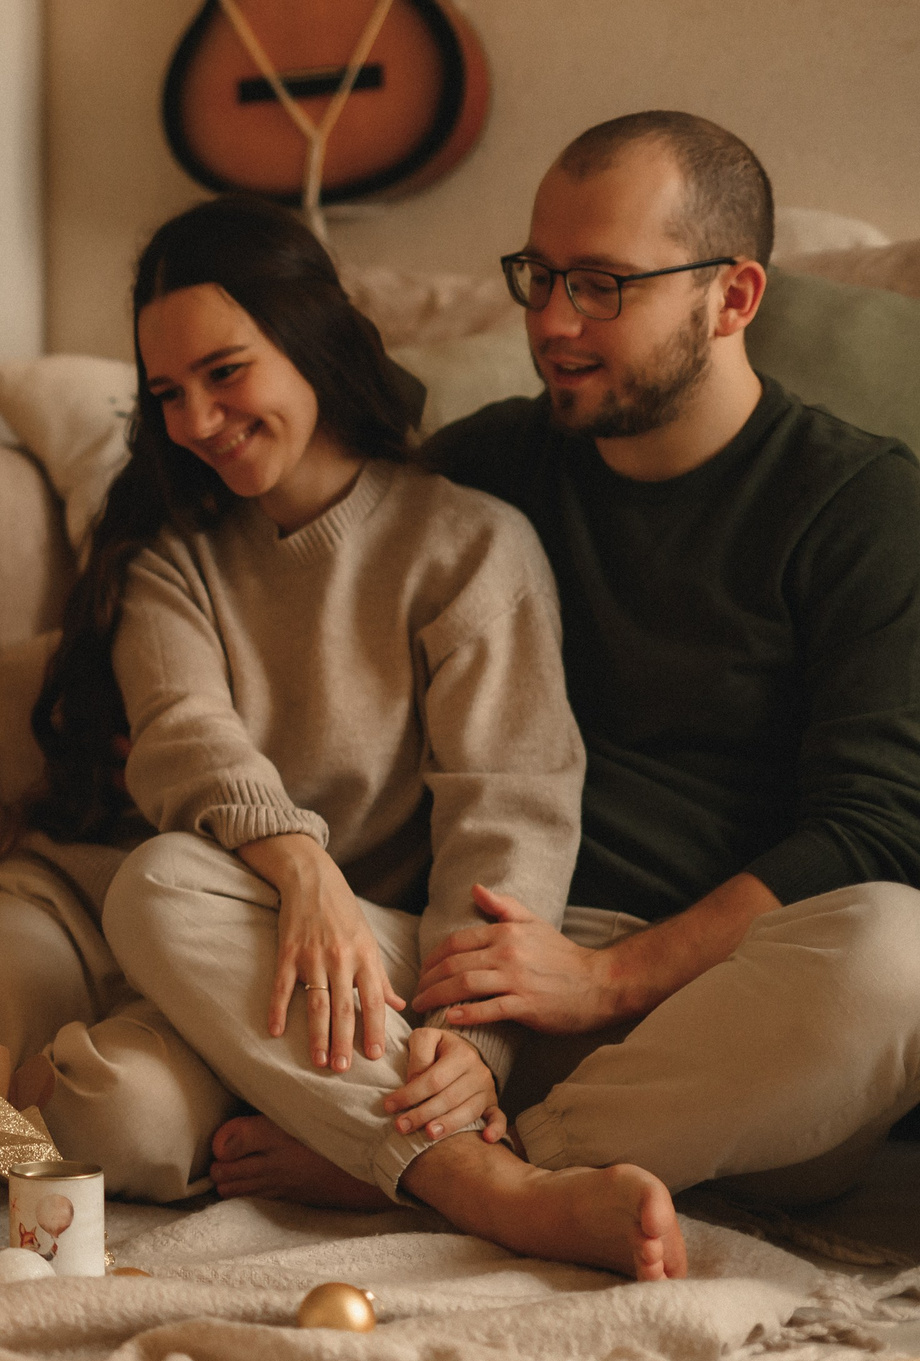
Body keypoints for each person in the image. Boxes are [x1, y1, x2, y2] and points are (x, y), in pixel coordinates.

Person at [201, 112, 920, 1281]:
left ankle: (444, 1161)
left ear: (733, 296)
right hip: (467, 972)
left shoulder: (860, 504)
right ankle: (468, 1156)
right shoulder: (484, 468)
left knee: (901, 950)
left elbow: (875, 820)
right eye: (539, 276)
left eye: (600, 285)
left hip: (720, 1018)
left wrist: (609, 979)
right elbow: (317, 596)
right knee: (173, 881)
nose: (549, 324)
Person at [0, 194, 586, 1208]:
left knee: (119, 1120)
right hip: (85, 906)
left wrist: (474, 1046)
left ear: (306, 338)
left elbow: (508, 813)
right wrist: (300, 862)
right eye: (167, 393)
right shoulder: (168, 555)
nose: (195, 422)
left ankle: (321, 1142)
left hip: (262, 963)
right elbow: (189, 737)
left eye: (224, 373)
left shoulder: (474, 547)